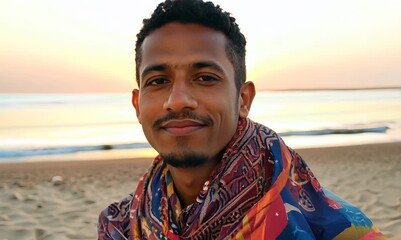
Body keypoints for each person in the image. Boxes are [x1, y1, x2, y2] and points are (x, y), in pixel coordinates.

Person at [98, 0, 385, 239]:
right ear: (137, 104)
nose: (178, 100)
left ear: (243, 99)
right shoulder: (122, 225)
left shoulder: (331, 225)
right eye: (158, 80)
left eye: (205, 78)